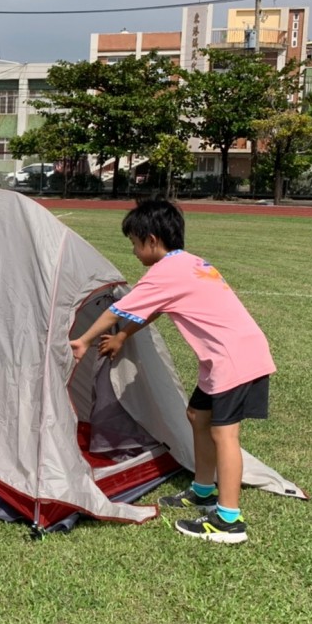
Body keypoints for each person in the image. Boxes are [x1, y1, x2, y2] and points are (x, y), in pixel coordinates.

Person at [69, 199, 275, 544]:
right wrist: (121, 336)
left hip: (234, 359)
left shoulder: (164, 272)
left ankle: (229, 521)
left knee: (225, 435)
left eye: (134, 243)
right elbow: (150, 310)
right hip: (225, 356)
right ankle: (203, 490)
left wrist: (82, 341)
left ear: (151, 240)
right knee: (197, 416)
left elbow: (121, 307)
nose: (133, 251)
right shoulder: (186, 263)